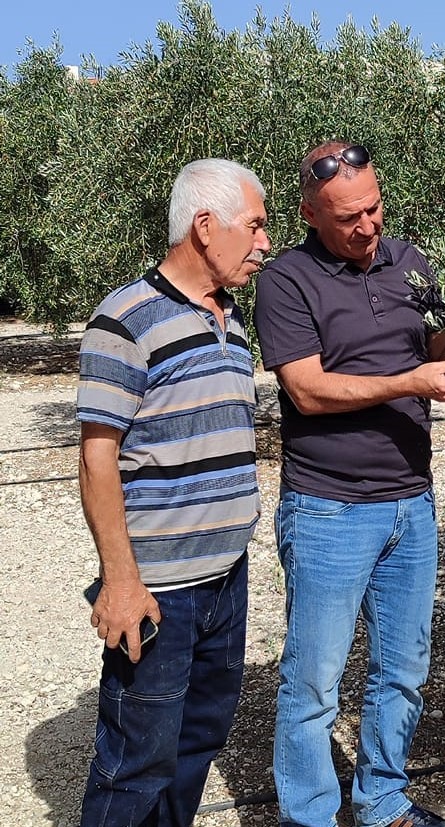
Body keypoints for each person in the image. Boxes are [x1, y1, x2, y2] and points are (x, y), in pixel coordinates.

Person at [253, 141, 445, 827]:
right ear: (310, 214)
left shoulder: (410, 260)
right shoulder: (287, 280)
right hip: (329, 509)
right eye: (349, 218)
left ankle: (384, 800)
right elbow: (308, 390)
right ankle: (309, 816)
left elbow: (436, 349)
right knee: (312, 683)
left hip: (410, 504)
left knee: (403, 670)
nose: (367, 226)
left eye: (375, 208)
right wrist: (413, 382)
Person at [77, 158, 271, 827]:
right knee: (137, 761)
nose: (264, 242)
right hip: (161, 588)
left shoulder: (231, 314)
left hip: (226, 578)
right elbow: (97, 458)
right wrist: (121, 582)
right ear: (205, 224)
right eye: (255, 225)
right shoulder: (126, 318)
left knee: (196, 743)